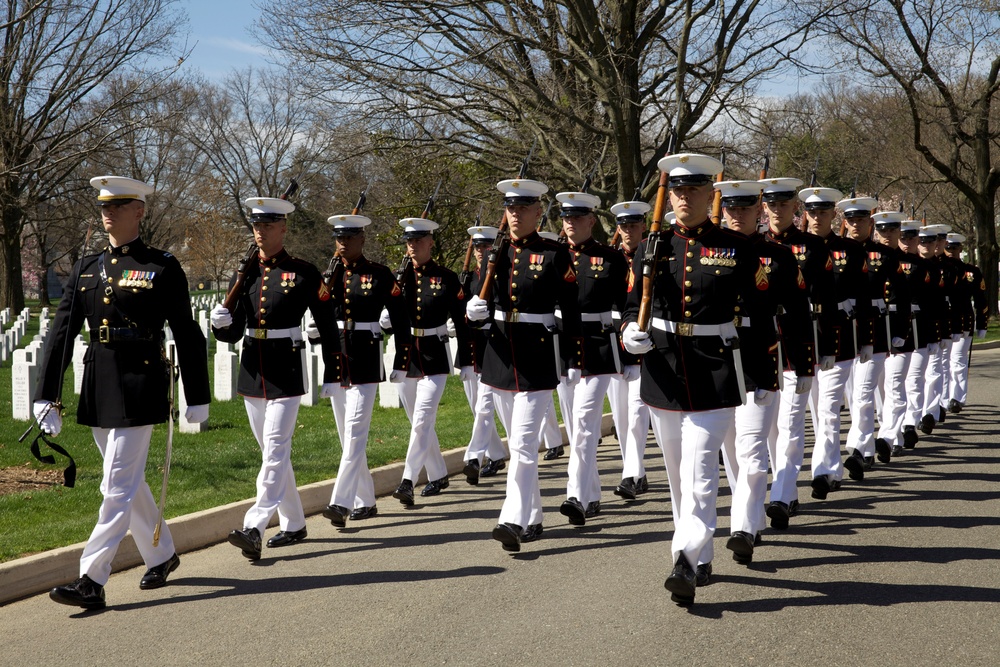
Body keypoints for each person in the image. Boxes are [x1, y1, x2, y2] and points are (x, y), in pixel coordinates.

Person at [37, 176, 210, 609]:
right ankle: (163, 553)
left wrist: (197, 394)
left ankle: (91, 579)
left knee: (115, 485)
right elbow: (62, 332)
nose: (108, 212)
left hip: (140, 380)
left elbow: (187, 333)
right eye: (104, 205)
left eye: (119, 205)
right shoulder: (86, 267)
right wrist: (47, 394)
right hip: (98, 380)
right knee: (129, 483)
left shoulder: (162, 266)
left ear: (140, 211)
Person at [621, 153, 770, 605]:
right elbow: (633, 302)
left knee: (703, 471)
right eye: (679, 190)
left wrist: (763, 374)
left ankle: (684, 560)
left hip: (714, 370)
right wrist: (630, 331)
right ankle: (700, 552)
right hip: (664, 369)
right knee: (676, 476)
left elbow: (761, 316)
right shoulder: (653, 245)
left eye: (695, 190)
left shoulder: (738, 247)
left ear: (712, 195)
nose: (685, 197)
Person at [211, 196, 342, 560]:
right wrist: (221, 326)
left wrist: (333, 370)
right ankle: (295, 523)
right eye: (256, 225)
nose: (261, 231)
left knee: (274, 449)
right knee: (273, 453)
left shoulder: (303, 272)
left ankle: (254, 524)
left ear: (283, 228)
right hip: (253, 370)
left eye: (268, 225)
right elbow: (234, 330)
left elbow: (328, 324)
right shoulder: (246, 272)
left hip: (286, 368)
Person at [466, 177, 582, 552]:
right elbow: (482, 302)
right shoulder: (495, 253)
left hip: (536, 358)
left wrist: (569, 358)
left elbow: (571, 309)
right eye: (510, 208)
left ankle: (511, 519)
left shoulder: (553, 253)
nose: (515, 214)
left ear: (537, 211)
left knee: (524, 445)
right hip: (499, 359)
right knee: (519, 446)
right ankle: (533, 517)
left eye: (523, 208)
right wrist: (475, 313)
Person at [713, 180, 814, 565]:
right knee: (731, 450)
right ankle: (751, 514)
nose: (737, 216)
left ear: (759, 211)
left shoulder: (777, 255)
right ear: (723, 211)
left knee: (753, 448)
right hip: (718, 363)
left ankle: (742, 527)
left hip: (759, 358)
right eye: (731, 210)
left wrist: (803, 364)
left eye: (745, 209)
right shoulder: (709, 250)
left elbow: (800, 312)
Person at [315, 213, 411, 527]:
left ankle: (340, 502)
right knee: (348, 438)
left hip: (366, 359)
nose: (342, 244)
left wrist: (401, 360)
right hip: (337, 360)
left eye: (348, 238)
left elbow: (400, 319)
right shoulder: (329, 275)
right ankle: (366, 501)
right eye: (338, 238)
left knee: (356, 434)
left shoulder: (379, 274)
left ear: (362, 239)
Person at [548, 189, 628, 525]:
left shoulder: (610, 258)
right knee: (578, 426)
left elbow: (626, 302)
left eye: (577, 217)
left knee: (582, 425)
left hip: (597, 349)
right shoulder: (552, 255)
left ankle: (576, 496)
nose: (570, 223)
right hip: (563, 351)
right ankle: (592, 494)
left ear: (591, 220)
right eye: (566, 217)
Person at [761, 181, 838, 530]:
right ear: (764, 208)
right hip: (762, 347)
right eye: (771, 204)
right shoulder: (753, 245)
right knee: (769, 430)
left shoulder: (812, 247)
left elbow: (827, 299)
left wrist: (828, 347)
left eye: (784, 204)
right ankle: (786, 488)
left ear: (796, 207)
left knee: (791, 424)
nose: (777, 210)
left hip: (796, 343)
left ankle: (781, 494)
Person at [390, 217, 472, 505]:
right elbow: (386, 318)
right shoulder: (398, 278)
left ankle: (408, 480)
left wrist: (468, 360)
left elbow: (462, 322)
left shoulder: (447, 278)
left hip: (435, 356)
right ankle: (438, 474)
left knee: (423, 419)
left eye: (418, 240)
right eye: (409, 241)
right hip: (406, 357)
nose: (412, 246)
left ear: (430, 242)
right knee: (419, 423)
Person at [802, 189, 873, 494]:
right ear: (805, 214)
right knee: (815, 411)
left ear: (834, 215)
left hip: (838, 335)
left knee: (829, 407)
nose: (817, 218)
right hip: (803, 337)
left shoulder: (851, 250)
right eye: (812, 212)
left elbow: (865, 295)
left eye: (823, 212)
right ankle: (832, 467)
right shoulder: (794, 248)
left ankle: (822, 471)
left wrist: (867, 339)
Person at [840, 198, 908, 471]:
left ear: (871, 223)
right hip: (844, 329)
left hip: (876, 329)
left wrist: (900, 331)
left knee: (865, 391)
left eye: (862, 220)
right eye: (852, 220)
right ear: (845, 222)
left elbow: (902, 296)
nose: (857, 225)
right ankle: (867, 447)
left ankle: (856, 448)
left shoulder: (884, 255)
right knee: (854, 394)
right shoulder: (837, 252)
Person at [607, 200, 652, 500]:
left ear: (643, 227)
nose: (627, 230)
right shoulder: (609, 260)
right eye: (623, 225)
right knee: (622, 417)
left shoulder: (653, 255)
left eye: (633, 225)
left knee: (637, 415)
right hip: (614, 347)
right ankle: (637, 471)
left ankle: (630, 475)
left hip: (644, 348)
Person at [460, 225, 508, 485]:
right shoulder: (471, 277)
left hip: (497, 346)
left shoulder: (500, 274)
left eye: (486, 246)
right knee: (478, 406)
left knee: (487, 406)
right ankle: (494, 455)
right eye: (477, 246)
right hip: (475, 349)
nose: (480, 251)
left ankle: (475, 458)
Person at [869, 211, 914, 457]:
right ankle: (891, 432)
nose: (887, 235)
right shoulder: (868, 255)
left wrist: (902, 332)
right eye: (883, 230)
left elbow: (906, 300)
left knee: (895, 384)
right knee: (877, 388)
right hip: (876, 328)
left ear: (899, 232)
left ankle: (886, 438)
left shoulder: (905, 261)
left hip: (897, 328)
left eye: (892, 230)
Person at [942, 233, 988, 412]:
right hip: (945, 321)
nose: (951, 251)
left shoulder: (971, 271)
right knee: (944, 363)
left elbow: (981, 299)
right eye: (948, 248)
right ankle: (942, 399)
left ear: (960, 249)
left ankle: (957, 398)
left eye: (954, 248)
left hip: (964, 321)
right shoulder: (938, 268)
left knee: (958, 361)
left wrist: (982, 323)